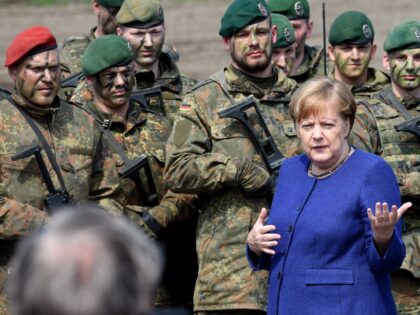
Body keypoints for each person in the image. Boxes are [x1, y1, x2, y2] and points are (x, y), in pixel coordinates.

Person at [164, 0, 300, 313]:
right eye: (243, 35)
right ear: (227, 42)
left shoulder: (300, 98)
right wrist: (236, 170)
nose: (254, 41)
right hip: (230, 279)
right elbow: (177, 169)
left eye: (261, 32)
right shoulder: (205, 98)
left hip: (294, 271)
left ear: (274, 33)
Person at [247, 77, 411, 315]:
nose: (316, 135)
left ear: (347, 126)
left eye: (327, 125)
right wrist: (255, 244)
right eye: (306, 126)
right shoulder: (290, 169)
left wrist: (384, 238)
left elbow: (388, 262)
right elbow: (289, 244)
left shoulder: (372, 171)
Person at [0, 26, 125, 314]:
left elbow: (108, 191)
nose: (48, 77)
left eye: (54, 68)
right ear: (14, 73)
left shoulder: (83, 122)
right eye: (36, 69)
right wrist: (47, 226)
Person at [80, 34, 199, 310]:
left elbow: (190, 184)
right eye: (110, 76)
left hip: (167, 277)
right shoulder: (79, 132)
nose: (121, 83)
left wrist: (158, 217)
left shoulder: (160, 126)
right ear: (90, 80)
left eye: (126, 73)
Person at [356, 21, 420, 314]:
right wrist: (409, 183)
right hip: (398, 259)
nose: (410, 66)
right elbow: (359, 176)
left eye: (418, 58)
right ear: (386, 61)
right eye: (401, 58)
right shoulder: (367, 113)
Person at [7, 203, 163, 315]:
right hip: (25, 274)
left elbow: (103, 190)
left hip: (98, 269)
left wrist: (100, 226)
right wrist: (63, 227)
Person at [72, 0, 195, 125]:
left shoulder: (190, 90)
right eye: (138, 34)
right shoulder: (95, 90)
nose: (148, 43)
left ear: (164, 31)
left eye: (155, 32)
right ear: (119, 33)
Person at [327, 10, 390, 101]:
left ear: (372, 51)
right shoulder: (316, 96)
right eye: (346, 48)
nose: (355, 56)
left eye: (362, 48)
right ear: (332, 52)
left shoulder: (392, 92)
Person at [267, 0, 328, 84]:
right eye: (278, 29)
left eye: (294, 27)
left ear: (309, 29)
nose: (286, 35)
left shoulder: (328, 68)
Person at [60, 0, 124, 78]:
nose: (121, 19)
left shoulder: (134, 47)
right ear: (97, 7)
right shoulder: (73, 51)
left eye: (125, 13)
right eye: (114, 12)